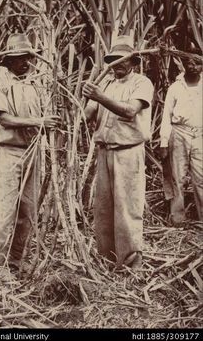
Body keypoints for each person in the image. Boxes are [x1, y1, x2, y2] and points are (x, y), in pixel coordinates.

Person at [0, 33, 60, 274]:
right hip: (8, 153)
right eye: (19, 58)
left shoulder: (35, 82)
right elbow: (4, 119)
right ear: (8, 59)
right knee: (6, 213)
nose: (25, 62)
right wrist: (39, 121)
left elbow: (49, 116)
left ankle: (16, 263)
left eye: (28, 57)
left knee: (27, 212)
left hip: (32, 153)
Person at [83, 35, 154, 270]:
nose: (117, 64)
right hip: (104, 151)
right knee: (103, 209)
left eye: (123, 60)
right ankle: (106, 260)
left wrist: (99, 96)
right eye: (113, 60)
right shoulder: (106, 83)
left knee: (127, 209)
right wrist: (80, 97)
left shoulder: (141, 83)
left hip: (128, 152)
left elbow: (130, 111)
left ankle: (131, 264)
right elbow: (88, 113)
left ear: (133, 62)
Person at [159, 57, 203, 225]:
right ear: (184, 65)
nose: (193, 66)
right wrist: (164, 142)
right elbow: (166, 116)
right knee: (178, 177)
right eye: (190, 63)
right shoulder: (175, 88)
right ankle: (177, 219)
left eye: (197, 63)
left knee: (200, 177)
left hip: (199, 134)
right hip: (179, 133)